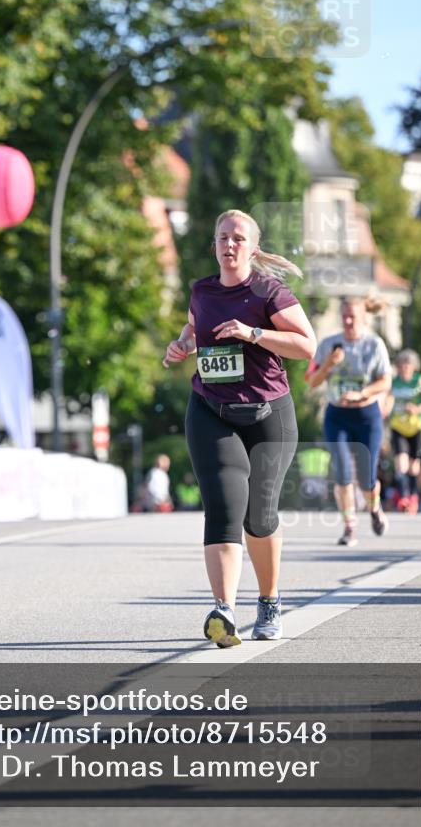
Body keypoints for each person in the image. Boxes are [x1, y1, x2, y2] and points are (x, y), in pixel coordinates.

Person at [163, 209, 316, 647]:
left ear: (252, 247)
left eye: (238, 238)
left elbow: (306, 345)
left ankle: (268, 600)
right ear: (213, 245)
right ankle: (224, 611)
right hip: (210, 409)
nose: (229, 245)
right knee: (223, 507)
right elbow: (195, 328)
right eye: (222, 237)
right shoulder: (202, 291)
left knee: (259, 515)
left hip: (269, 414)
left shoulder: (269, 291)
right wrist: (182, 345)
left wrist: (254, 334)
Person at [306, 297, 392, 547]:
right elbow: (311, 381)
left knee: (366, 477)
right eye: (344, 315)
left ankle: (375, 508)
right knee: (342, 472)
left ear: (364, 316)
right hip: (337, 416)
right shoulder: (329, 344)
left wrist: (363, 393)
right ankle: (349, 527)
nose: (348, 320)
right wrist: (328, 365)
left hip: (367, 416)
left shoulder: (374, 345)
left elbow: (385, 381)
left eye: (353, 316)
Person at [385, 350, 421, 512]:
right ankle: (404, 497)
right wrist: (385, 413)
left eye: (407, 365)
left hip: (416, 428)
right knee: (401, 464)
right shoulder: (394, 382)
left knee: (414, 467)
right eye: (401, 364)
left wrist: (417, 409)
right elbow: (388, 401)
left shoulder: (419, 380)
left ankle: (413, 496)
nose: (404, 368)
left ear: (413, 367)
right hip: (398, 427)